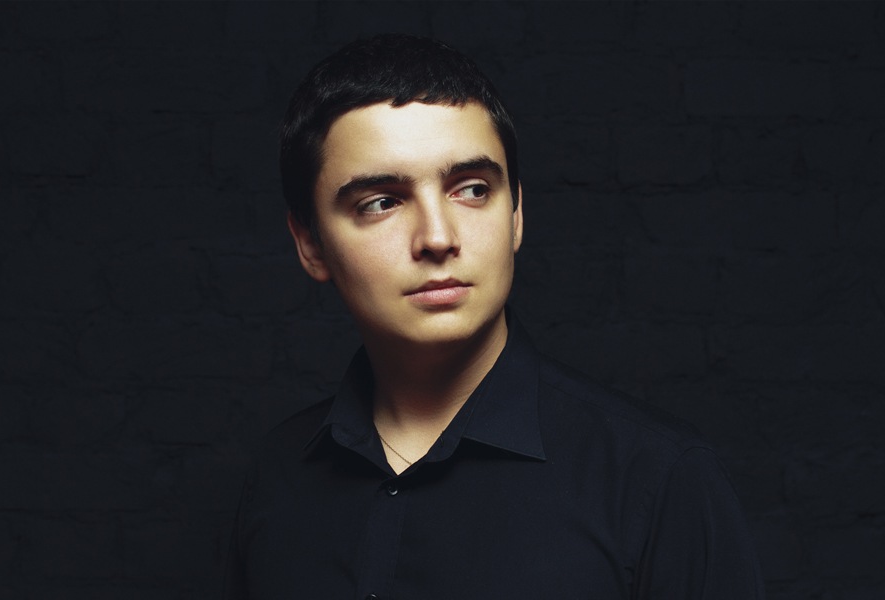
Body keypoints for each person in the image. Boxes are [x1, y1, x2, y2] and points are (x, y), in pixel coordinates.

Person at [222, 34, 765, 599]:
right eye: (382, 201)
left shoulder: (659, 477)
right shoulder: (276, 476)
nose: (438, 237)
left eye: (473, 190)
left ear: (516, 214)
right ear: (310, 244)